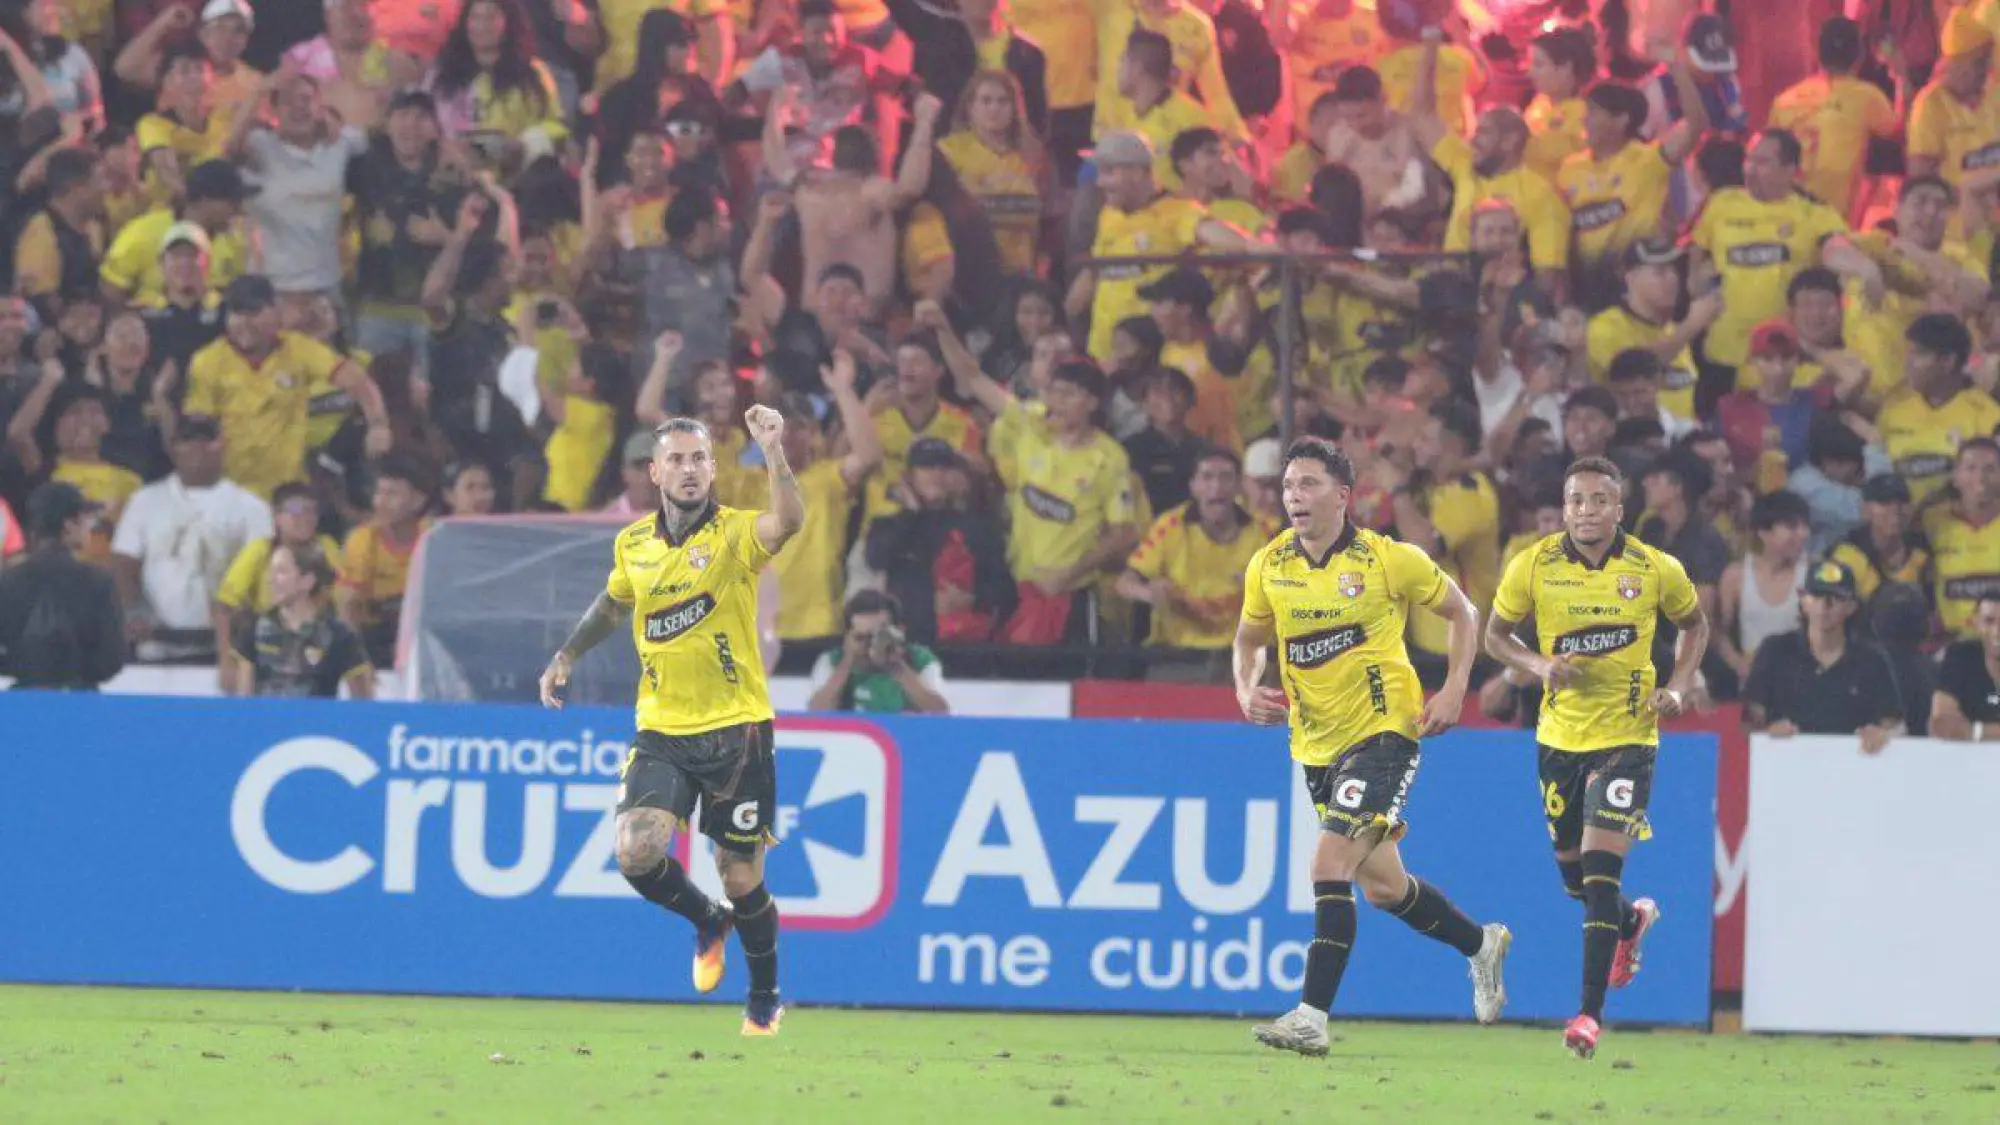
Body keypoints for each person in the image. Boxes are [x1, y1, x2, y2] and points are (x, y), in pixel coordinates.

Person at [536, 403, 805, 1037]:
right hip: (662, 728)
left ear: (714, 470)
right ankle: (706, 921)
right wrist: (568, 652)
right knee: (636, 852)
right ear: (655, 472)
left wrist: (772, 450)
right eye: (677, 460)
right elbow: (612, 601)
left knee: (741, 876)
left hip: (737, 729)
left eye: (700, 459)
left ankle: (763, 997)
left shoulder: (735, 535)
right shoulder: (633, 543)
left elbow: (788, 521)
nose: (689, 469)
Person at [1235, 438, 1510, 1057]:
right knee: (1385, 888)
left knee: (1327, 865)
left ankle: (1311, 1016)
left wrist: (1453, 690)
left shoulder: (1390, 560)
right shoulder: (1270, 564)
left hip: (1384, 733)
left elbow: (1464, 613)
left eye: (1308, 485)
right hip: (1315, 746)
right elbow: (1249, 637)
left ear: (1343, 495)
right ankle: (1481, 944)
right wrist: (1244, 685)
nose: (1294, 497)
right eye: (1288, 487)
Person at [1485, 455, 1710, 1059]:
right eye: (1576, 500)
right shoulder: (1532, 565)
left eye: (1598, 500)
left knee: (1599, 869)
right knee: (1574, 880)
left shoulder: (1654, 568)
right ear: (1565, 508)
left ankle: (1587, 1015)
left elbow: (1696, 625)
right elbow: (1495, 636)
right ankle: (1629, 924)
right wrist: (1539, 666)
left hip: (1628, 738)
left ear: (1619, 508)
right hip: (1559, 740)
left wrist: (1680, 684)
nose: (1586, 511)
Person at [1117, 447, 1272, 682]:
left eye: (1225, 477)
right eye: (1207, 477)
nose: (1216, 487)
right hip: (1177, 658)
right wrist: (1150, 593)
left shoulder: (1264, 532)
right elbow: (1124, 584)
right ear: (1193, 486)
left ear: (1238, 486)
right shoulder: (1168, 526)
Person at [1742, 560, 1902, 754]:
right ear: (1802, 599)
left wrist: (1882, 735)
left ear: (1851, 606)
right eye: (1816, 595)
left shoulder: (1872, 659)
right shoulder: (1775, 651)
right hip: (1785, 768)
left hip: (1856, 771)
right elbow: (1749, 721)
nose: (1825, 605)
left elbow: (1894, 725)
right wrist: (1768, 733)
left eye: (1835, 597)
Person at [0, 482, 125, 691]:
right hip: (80, 700)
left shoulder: (9, 581)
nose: (90, 527)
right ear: (68, 525)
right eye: (85, 519)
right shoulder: (98, 581)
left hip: (23, 700)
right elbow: (110, 661)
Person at [225, 540, 373, 699]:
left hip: (317, 723)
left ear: (307, 581)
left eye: (281, 572)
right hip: (265, 722)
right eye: (271, 571)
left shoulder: (340, 635)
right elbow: (243, 700)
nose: (270, 580)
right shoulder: (253, 628)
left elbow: (363, 704)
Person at [806, 590, 950, 714]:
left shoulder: (920, 660)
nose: (870, 645)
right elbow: (816, 714)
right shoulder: (832, 661)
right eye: (862, 637)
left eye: (878, 636)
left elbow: (940, 713)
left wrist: (897, 667)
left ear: (899, 631)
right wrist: (848, 661)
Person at [1925, 438, 2000, 641]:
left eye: (1990, 469)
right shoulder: (1932, 522)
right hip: (1953, 644)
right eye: (1971, 468)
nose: (1980, 477)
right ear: (1956, 477)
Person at [1931, 596, 2000, 742]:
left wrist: (1975, 731)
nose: (1997, 631)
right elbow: (1942, 724)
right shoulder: (1960, 655)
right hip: (1968, 762)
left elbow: (1963, 731)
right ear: (1976, 622)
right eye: (1989, 621)